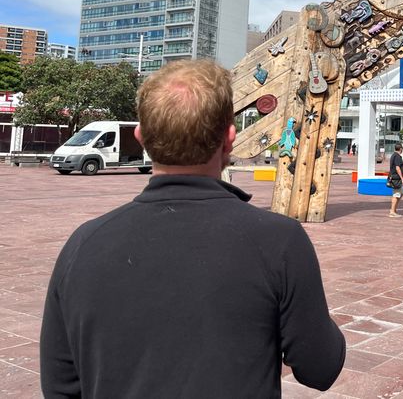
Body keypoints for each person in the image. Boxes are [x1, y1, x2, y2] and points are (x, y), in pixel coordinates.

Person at [40, 60, 345, 398]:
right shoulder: (280, 242)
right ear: (229, 139)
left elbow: (59, 386)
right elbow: (320, 367)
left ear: (140, 137)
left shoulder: (83, 244)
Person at [388, 143, 403, 218]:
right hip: (396, 178)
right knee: (396, 194)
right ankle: (392, 212)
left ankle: (393, 210)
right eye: (402, 149)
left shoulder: (393, 155)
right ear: (401, 149)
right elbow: (397, 168)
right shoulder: (397, 156)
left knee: (401, 193)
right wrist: (402, 179)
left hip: (395, 177)